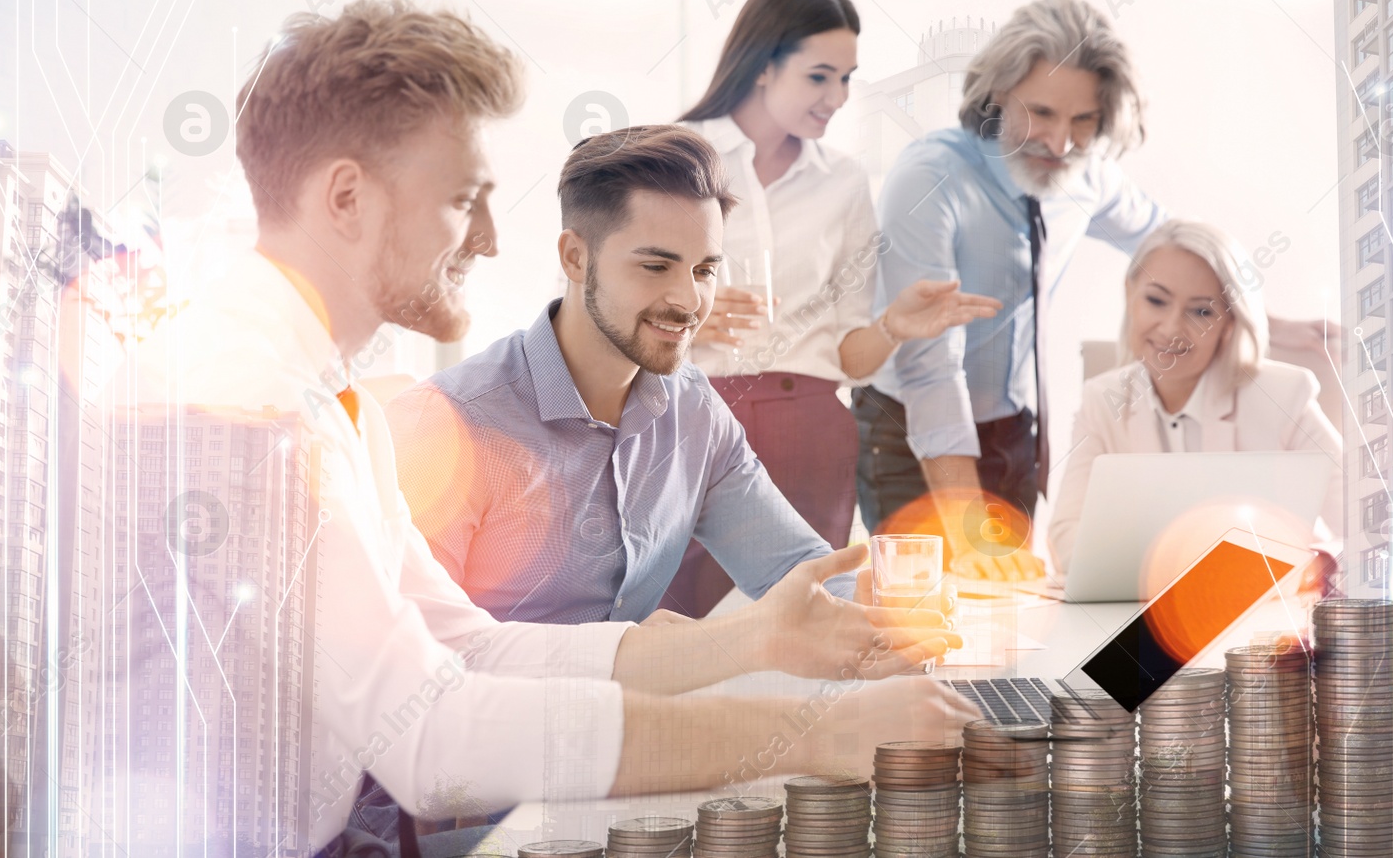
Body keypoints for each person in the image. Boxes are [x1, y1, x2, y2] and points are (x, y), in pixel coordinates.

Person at [110, 0, 971, 855]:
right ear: (346, 197)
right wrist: (813, 733)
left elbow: (469, 653)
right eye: (463, 200)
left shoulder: (336, 409)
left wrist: (751, 638)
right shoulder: (248, 412)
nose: (487, 239)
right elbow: (431, 744)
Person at [389, 120, 967, 627]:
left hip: (626, 735)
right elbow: (417, 657)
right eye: (656, 265)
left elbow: (796, 571)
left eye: (706, 269)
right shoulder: (450, 425)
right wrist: (668, 654)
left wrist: (898, 614)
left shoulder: (694, 411)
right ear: (574, 257)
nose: (690, 300)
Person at [855, 0, 1338, 580]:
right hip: (913, 432)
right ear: (997, 94)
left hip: (1012, 433)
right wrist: (964, 524)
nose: (1060, 143)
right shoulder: (929, 179)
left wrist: (1262, 321)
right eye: (1041, 114)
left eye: (1083, 122)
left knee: (1007, 618)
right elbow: (930, 365)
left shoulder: (1088, 178)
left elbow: (1177, 249)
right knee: (924, 619)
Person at [664, 0, 1000, 616]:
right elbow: (589, 303)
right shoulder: (671, 156)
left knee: (813, 618)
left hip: (812, 426)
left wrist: (895, 325)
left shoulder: (843, 182)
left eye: (847, 78)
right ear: (763, 64)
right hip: (689, 415)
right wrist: (685, 323)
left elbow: (849, 358)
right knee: (680, 622)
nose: (839, 97)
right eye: (820, 76)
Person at [1045, 219, 1344, 577]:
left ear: (1229, 322)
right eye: (1156, 301)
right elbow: (1066, 540)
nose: (1171, 328)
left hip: (1275, 614)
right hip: (1151, 614)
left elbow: (1366, 517)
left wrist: (1318, 565)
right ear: (1130, 294)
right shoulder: (1102, 400)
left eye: (1201, 311)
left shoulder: (1282, 394)